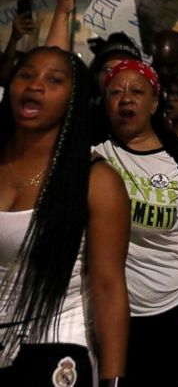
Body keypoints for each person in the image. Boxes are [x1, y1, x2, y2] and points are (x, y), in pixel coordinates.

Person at [0, 47, 130, 385]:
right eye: (26, 75)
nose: (36, 85)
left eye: (53, 80)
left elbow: (109, 287)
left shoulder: (97, 181)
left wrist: (113, 380)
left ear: (74, 100)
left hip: (56, 345)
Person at [93, 59, 178, 387]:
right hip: (100, 308)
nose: (126, 98)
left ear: (153, 103)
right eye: (115, 92)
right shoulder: (92, 153)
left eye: (137, 91)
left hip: (169, 306)